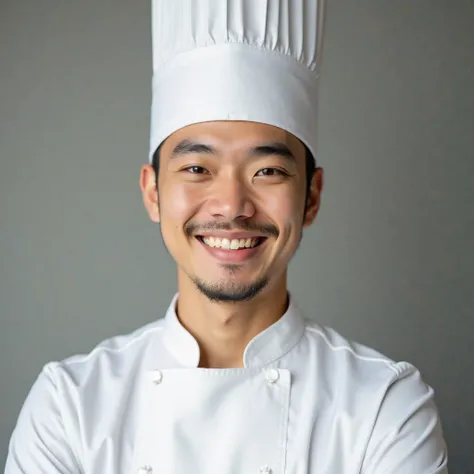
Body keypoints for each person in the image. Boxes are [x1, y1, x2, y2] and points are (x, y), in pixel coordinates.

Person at [5, 0, 449, 473]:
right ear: (153, 193)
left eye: (268, 170)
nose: (232, 205)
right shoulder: (70, 407)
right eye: (198, 168)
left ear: (312, 196)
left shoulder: (383, 407)